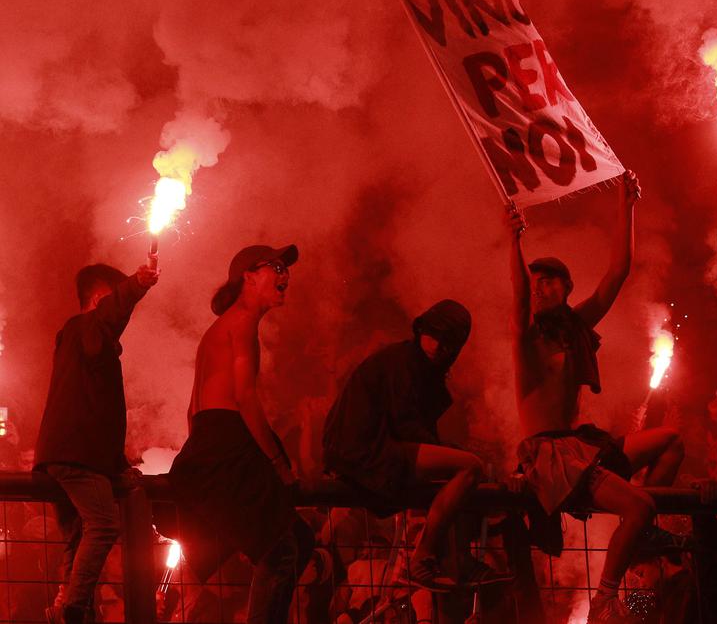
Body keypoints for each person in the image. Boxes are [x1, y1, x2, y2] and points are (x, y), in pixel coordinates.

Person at [507, 170, 685, 624]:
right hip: (550, 456)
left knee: (670, 442)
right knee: (640, 507)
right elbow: (517, 296)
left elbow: (616, 275)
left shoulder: (575, 331)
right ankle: (604, 602)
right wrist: (514, 241)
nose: (540, 286)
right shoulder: (526, 339)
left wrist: (627, 203)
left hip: (579, 448)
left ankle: (640, 532)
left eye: (551, 280)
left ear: (567, 290)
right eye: (536, 280)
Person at [165, 244, 312, 624]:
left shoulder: (222, 327)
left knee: (294, 539)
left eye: (286, 268)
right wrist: (279, 462)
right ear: (248, 276)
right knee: (283, 550)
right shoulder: (242, 321)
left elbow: (192, 410)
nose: (285, 276)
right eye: (276, 267)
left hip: (211, 442)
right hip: (226, 443)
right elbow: (245, 397)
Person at [323, 299, 488, 592]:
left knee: (453, 476)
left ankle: (449, 559)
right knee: (471, 468)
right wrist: (450, 452)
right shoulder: (403, 363)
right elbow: (407, 427)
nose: (437, 345)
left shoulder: (413, 365)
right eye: (434, 335)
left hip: (366, 448)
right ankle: (423, 558)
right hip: (367, 450)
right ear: (422, 328)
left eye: (447, 341)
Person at [35, 260, 159, 624]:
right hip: (77, 456)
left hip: (64, 453)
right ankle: (74, 608)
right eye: (115, 301)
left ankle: (65, 608)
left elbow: (96, 415)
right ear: (100, 300)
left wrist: (119, 464)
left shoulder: (82, 342)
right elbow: (94, 419)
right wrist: (138, 284)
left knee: (76, 537)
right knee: (103, 525)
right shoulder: (86, 328)